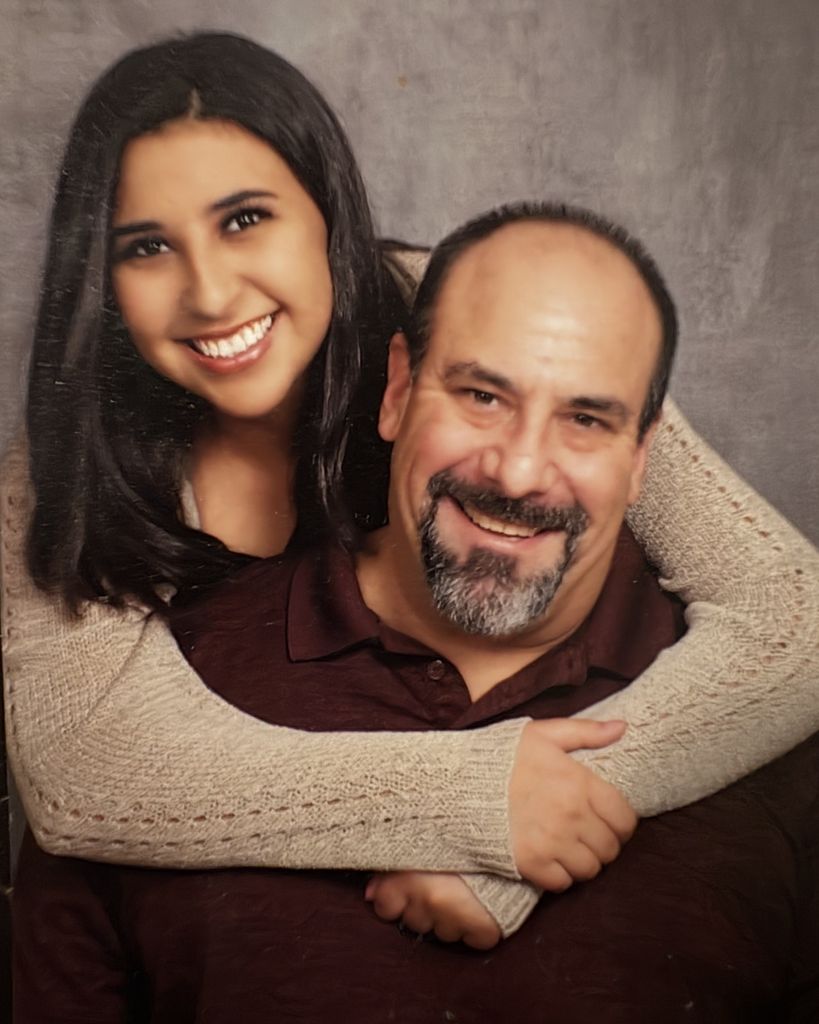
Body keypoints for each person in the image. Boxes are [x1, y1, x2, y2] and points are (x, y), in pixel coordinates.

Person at [2, 31, 819, 936]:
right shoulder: (72, 446)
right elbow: (80, 768)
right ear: (102, 280)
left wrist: (574, 794)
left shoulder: (462, 315)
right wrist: (467, 804)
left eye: (244, 220)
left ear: (327, 212)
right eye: (148, 246)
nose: (210, 293)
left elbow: (794, 614)